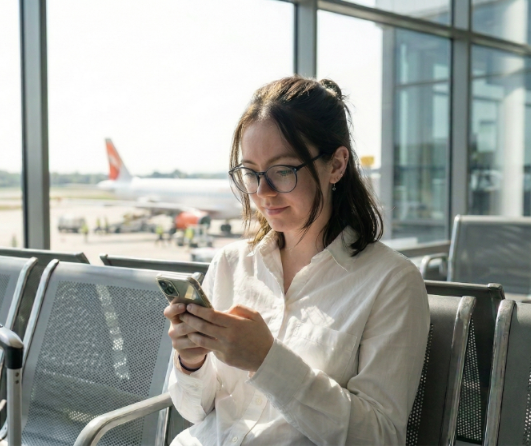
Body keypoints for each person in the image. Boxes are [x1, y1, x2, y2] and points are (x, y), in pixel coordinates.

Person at [164, 77, 429, 445]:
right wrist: (192, 363)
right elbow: (193, 411)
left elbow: (380, 437)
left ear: (336, 165)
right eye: (251, 173)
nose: (262, 192)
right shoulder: (230, 264)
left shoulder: (391, 282)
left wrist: (267, 360)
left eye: (282, 171)